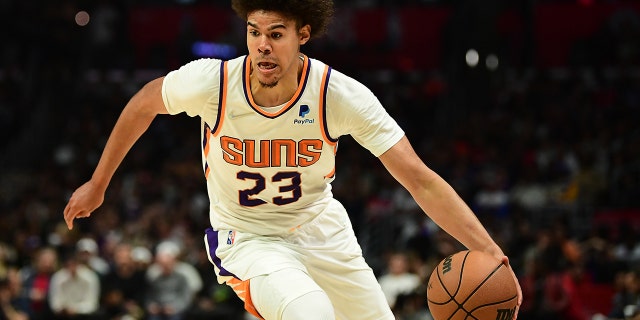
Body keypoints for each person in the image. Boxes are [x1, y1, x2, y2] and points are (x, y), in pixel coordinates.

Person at [63, 1, 522, 319]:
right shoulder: (213, 83)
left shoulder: (338, 95)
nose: (262, 45)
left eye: (276, 34)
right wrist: (99, 182)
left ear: (303, 34)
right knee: (311, 313)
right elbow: (144, 102)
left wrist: (489, 249)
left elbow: (419, 180)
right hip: (248, 237)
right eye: (254, 32)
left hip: (322, 229)